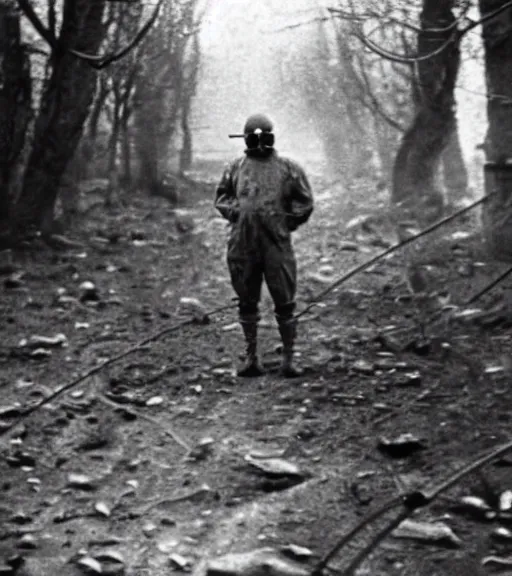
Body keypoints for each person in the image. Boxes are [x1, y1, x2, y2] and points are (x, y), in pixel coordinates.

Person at [214, 113, 314, 378]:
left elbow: (304, 202)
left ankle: (289, 360)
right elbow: (222, 197)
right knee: (246, 301)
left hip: (276, 245)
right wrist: (238, 213)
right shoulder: (235, 168)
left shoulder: (288, 169)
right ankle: (251, 357)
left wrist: (285, 222)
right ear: (246, 139)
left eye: (264, 138)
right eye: (254, 138)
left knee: (285, 300)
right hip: (242, 244)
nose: (259, 144)